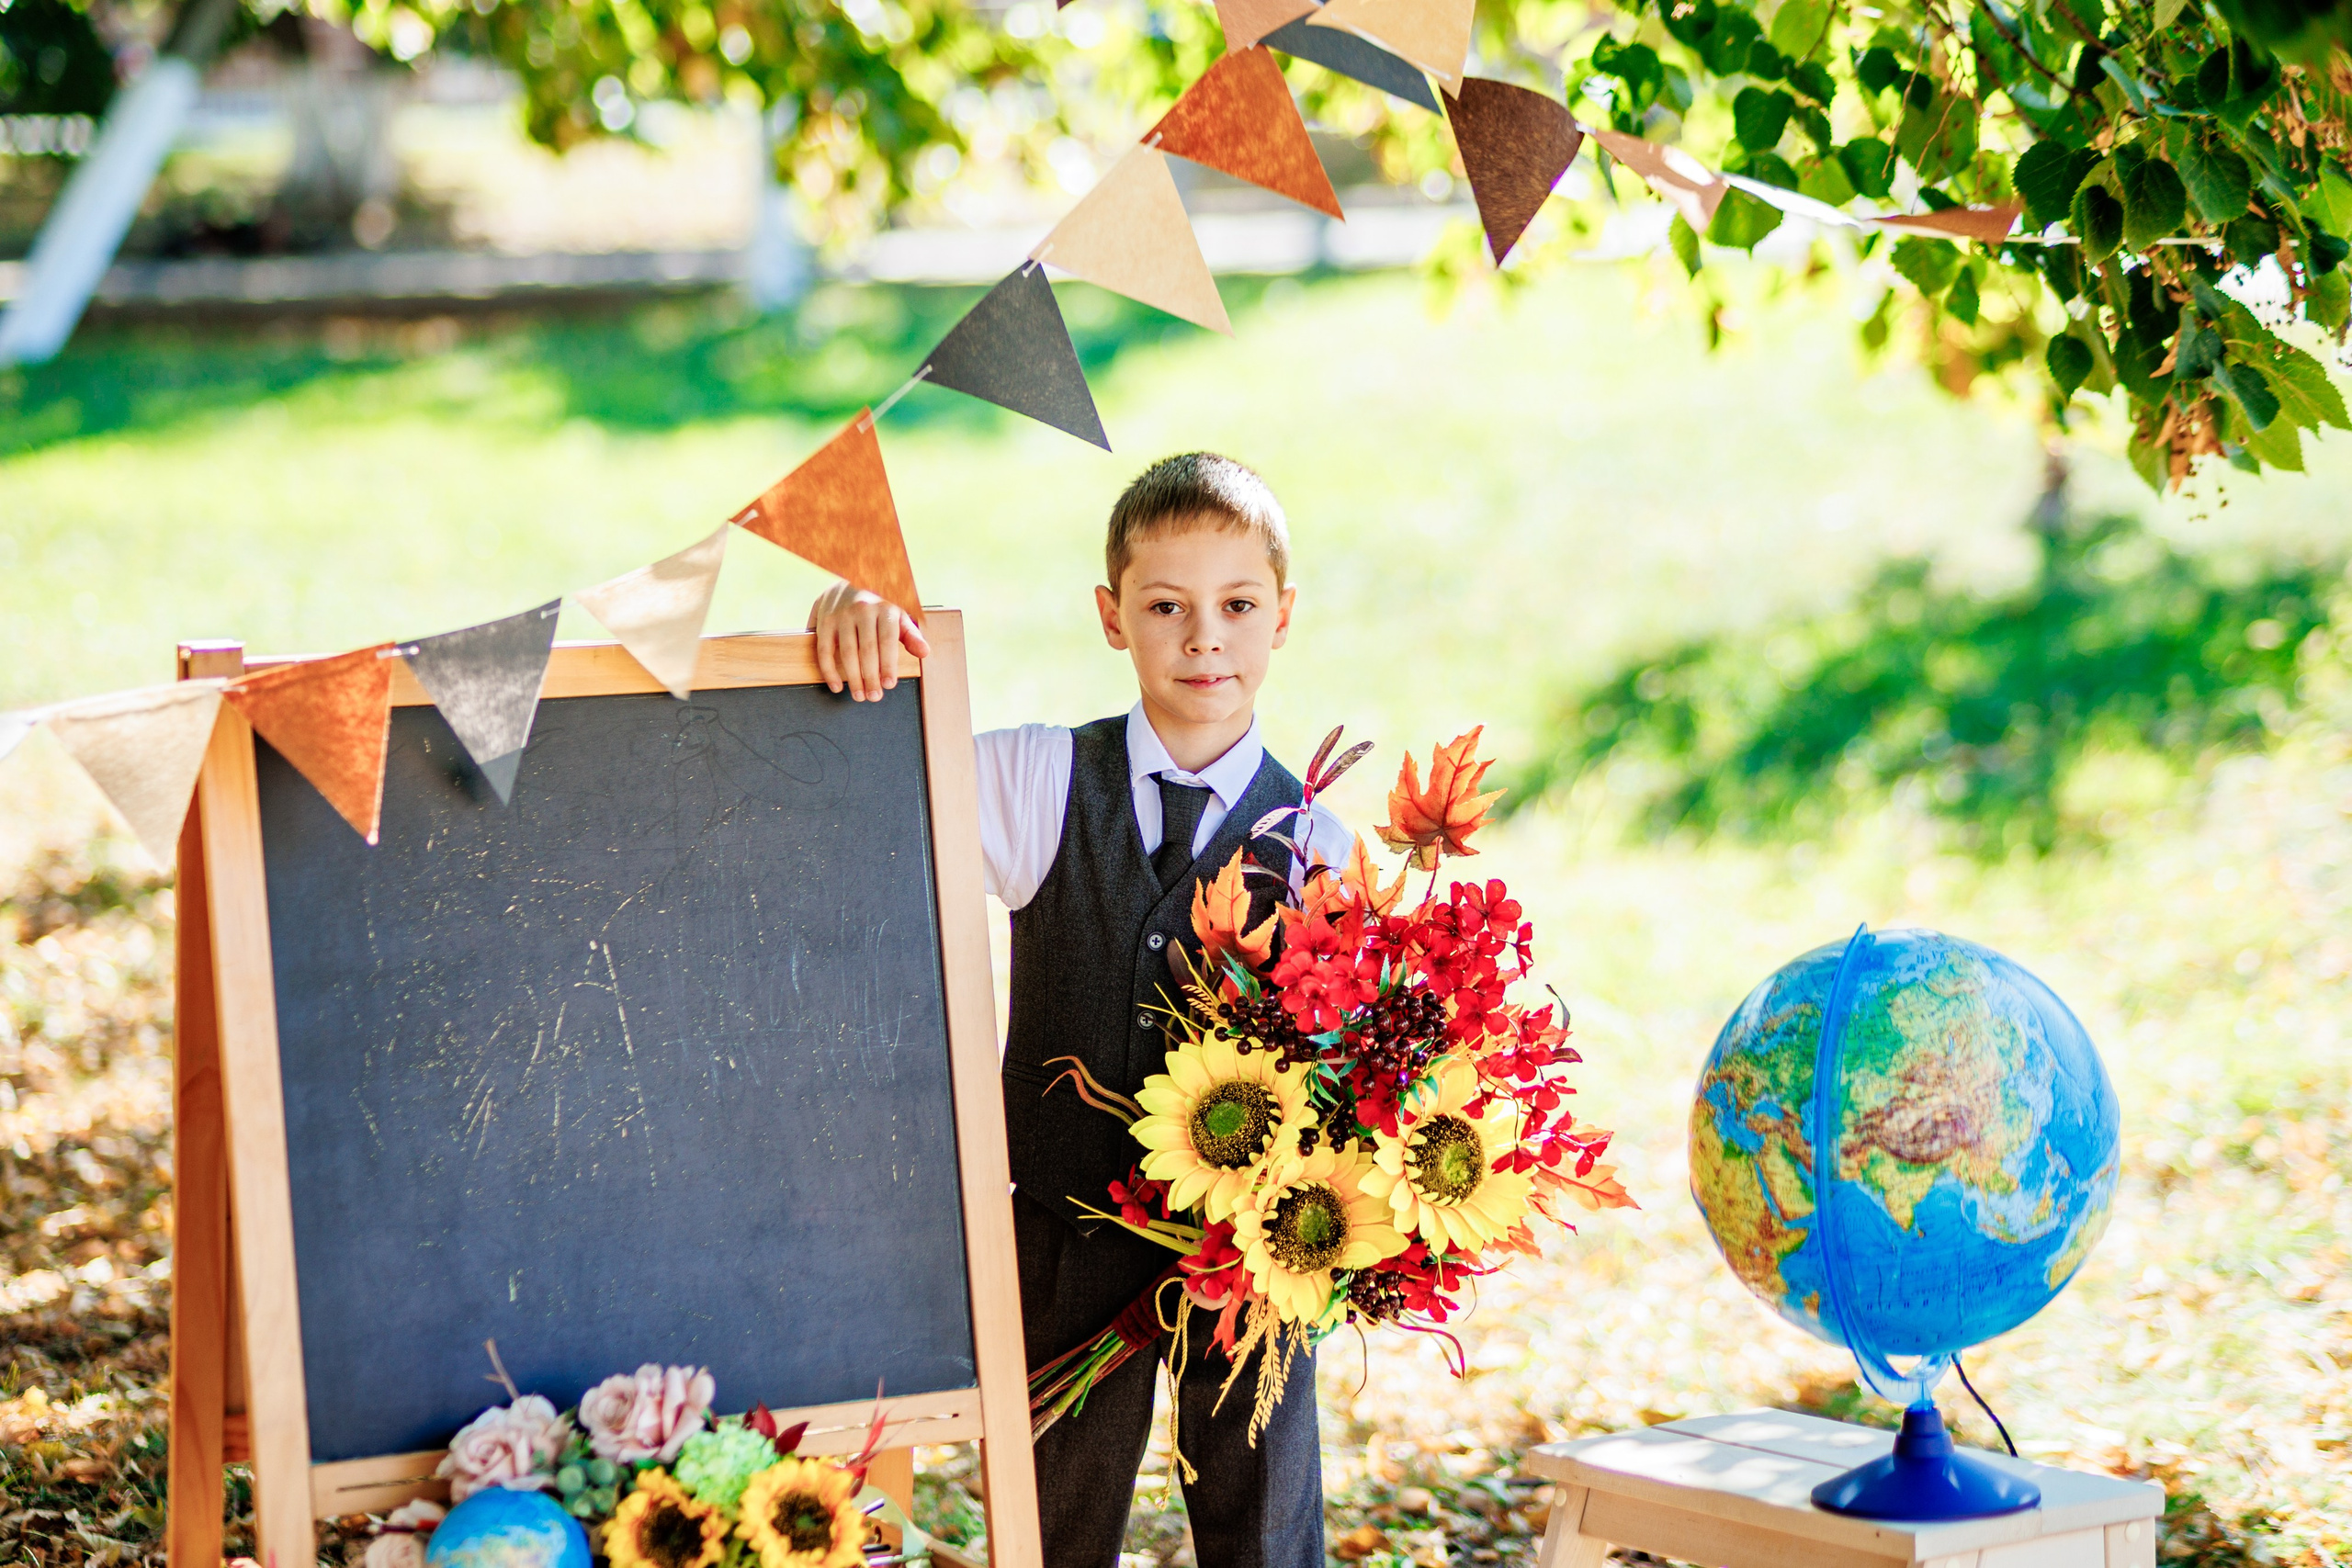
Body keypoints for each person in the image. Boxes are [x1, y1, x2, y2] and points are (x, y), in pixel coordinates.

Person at [807, 452, 1349, 1568]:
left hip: (1245, 1253)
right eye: (1166, 606)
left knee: (1265, 1515)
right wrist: (853, 625)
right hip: (1062, 1232)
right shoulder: (1038, 780)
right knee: (1053, 1521)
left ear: (1282, 617)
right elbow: (857, 800)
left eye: (1237, 606)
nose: (1205, 637)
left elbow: (1348, 1073)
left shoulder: (1323, 846)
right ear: (1112, 616)